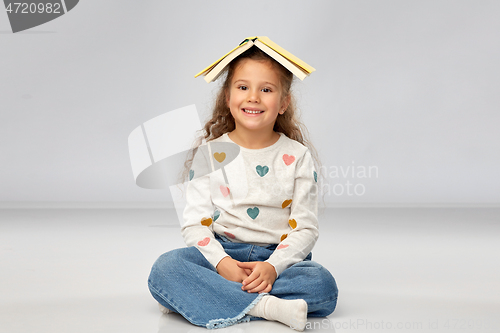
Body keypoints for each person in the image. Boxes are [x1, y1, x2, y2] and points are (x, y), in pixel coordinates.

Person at [148, 41, 338, 331]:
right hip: (223, 257)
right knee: (165, 268)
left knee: (322, 285)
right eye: (243, 87)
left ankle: (200, 296)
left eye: (266, 89)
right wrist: (223, 263)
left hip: (276, 259)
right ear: (227, 96)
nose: (254, 98)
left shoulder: (298, 156)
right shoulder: (209, 154)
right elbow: (194, 226)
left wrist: (273, 267)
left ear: (284, 103)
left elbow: (305, 228)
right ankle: (267, 307)